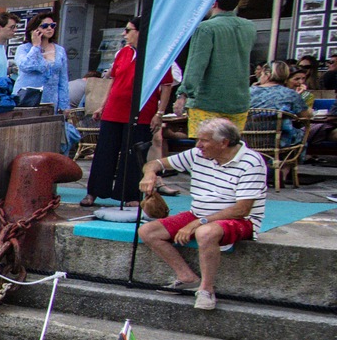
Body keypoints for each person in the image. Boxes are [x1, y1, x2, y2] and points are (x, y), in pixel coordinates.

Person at [137, 117, 267, 311]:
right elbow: (154, 163)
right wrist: (149, 175)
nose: (198, 145)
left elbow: (242, 209)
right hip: (199, 212)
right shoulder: (197, 154)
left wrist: (199, 222)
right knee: (148, 231)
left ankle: (206, 289)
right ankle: (186, 277)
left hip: (240, 219)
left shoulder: (251, 162)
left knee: (205, 232)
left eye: (204, 140)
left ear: (223, 143)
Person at [83, 16, 175, 205]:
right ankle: (94, 192)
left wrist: (160, 113)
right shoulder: (122, 53)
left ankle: (130, 195)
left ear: (140, 32)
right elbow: (114, 81)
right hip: (114, 109)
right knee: (104, 151)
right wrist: (103, 105)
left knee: (133, 154)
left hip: (141, 112)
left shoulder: (157, 55)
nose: (125, 34)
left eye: (128, 30)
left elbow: (166, 86)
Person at [177, 0, 259, 135]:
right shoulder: (249, 27)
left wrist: (183, 94)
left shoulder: (206, 28)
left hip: (207, 101)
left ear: (214, 2)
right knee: (230, 149)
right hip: (238, 101)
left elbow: (196, 64)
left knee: (204, 149)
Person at [14, 13, 68, 110]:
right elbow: (25, 66)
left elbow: (63, 80)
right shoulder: (24, 49)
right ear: (34, 30)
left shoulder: (60, 50)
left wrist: (64, 105)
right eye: (44, 26)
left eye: (52, 25)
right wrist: (35, 47)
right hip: (27, 100)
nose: (49, 28)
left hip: (50, 100)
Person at [249, 59, 308, 146]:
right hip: (279, 141)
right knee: (302, 134)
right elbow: (306, 116)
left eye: (261, 74)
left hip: (249, 140)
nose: (260, 77)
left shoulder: (248, 92)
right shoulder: (291, 94)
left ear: (268, 75)